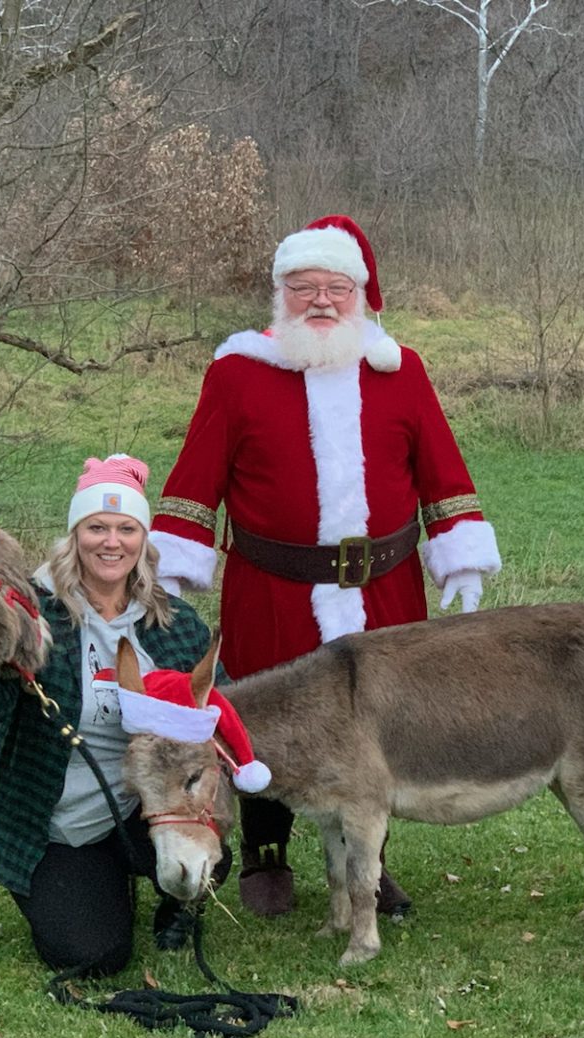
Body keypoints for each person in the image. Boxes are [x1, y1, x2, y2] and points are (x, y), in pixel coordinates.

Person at [148, 214, 502, 918]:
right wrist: (175, 568)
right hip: (272, 587)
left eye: (335, 287)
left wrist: (458, 550)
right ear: (280, 294)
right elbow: (196, 475)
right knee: (260, 712)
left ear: (361, 294)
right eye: (303, 287)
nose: (320, 301)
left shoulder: (401, 373)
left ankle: (372, 861)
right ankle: (265, 853)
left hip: (385, 590)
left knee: (381, 721)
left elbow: (440, 467)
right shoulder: (237, 374)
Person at [0, 454, 228, 976]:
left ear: (143, 539)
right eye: (97, 527)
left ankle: (168, 893)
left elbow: (218, 718)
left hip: (147, 805)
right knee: (92, 955)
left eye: (126, 529)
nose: (112, 542)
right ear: (75, 535)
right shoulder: (35, 614)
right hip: (64, 817)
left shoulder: (176, 625)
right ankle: (83, 880)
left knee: (207, 855)